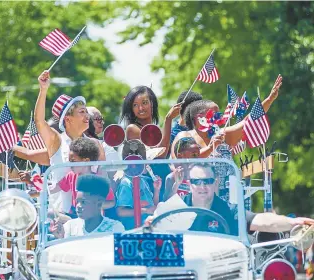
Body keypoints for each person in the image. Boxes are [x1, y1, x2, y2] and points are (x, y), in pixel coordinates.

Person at [175, 163, 314, 235]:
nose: (202, 186)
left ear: (216, 183)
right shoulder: (176, 209)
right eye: (197, 181)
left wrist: (293, 222)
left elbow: (260, 220)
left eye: (208, 181)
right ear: (188, 184)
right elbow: (157, 226)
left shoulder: (228, 210)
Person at [171, 75, 283, 159]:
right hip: (195, 189)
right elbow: (186, 162)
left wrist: (270, 99)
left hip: (227, 190)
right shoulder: (184, 136)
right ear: (199, 118)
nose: (219, 117)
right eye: (214, 114)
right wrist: (211, 148)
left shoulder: (222, 134)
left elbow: (250, 119)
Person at [50, 137, 116, 215]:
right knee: (50, 214)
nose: (69, 164)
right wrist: (40, 189)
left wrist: (94, 205)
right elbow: (55, 188)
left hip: (93, 218)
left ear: (86, 161)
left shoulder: (98, 181)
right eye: (69, 161)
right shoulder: (71, 175)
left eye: (73, 161)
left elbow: (111, 202)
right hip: (75, 215)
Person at [119, 85, 181, 159]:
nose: (140, 108)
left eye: (144, 103)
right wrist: (168, 119)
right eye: (135, 105)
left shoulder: (157, 130)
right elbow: (159, 157)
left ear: (152, 103)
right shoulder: (132, 129)